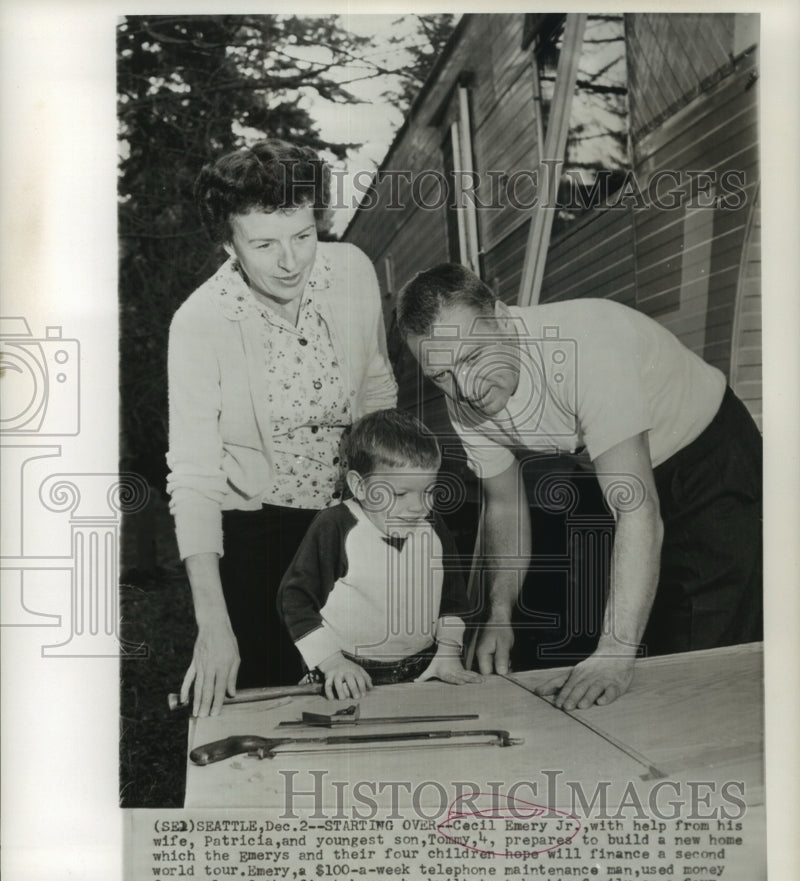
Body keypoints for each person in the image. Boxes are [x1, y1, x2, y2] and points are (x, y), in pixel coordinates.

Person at [396, 263, 762, 710]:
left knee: (700, 657)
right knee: (607, 643)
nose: (466, 389)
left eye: (473, 357)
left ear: (502, 317)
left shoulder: (586, 347)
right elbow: (505, 507)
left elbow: (637, 511)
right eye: (441, 376)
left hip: (707, 458)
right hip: (614, 467)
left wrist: (613, 652)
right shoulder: (463, 401)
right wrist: (499, 613)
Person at [167, 139, 397, 716]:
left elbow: (375, 387)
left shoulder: (350, 272)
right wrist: (213, 624)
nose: (291, 261)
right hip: (259, 529)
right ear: (229, 244)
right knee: (277, 702)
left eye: (303, 236)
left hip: (350, 514)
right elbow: (194, 477)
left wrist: (388, 501)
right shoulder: (200, 322)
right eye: (265, 245)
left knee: (368, 683)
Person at [278, 409, 482, 700]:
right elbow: (295, 600)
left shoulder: (434, 529)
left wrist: (449, 651)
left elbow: (454, 600)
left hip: (423, 667)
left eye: (429, 492)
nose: (418, 507)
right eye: (400, 494)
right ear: (359, 486)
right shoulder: (335, 526)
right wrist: (331, 661)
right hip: (346, 672)